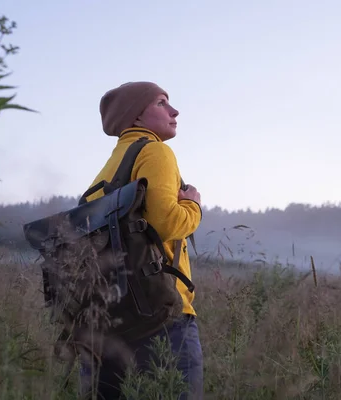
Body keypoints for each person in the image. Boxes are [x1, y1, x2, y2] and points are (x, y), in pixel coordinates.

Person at [79, 81, 204, 399]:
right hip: (161, 316)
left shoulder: (106, 173)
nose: (174, 111)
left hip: (106, 323)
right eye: (162, 103)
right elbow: (167, 224)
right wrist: (192, 204)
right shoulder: (156, 151)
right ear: (135, 115)